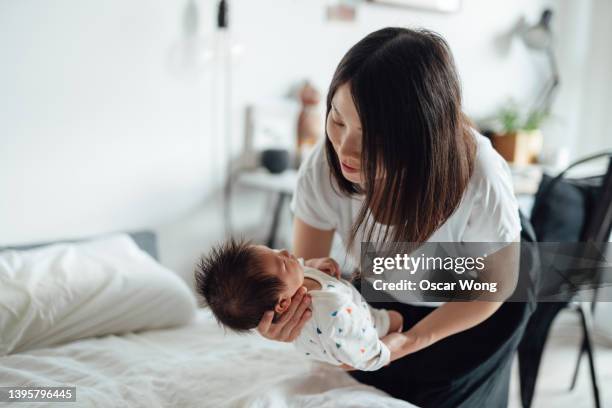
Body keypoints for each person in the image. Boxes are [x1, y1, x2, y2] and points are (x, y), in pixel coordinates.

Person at [257, 27, 530, 407]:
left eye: (374, 138)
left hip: (477, 299)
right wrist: (293, 319)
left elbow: (492, 288)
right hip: (388, 289)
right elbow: (306, 275)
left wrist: (417, 338)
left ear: (424, 136)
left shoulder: (479, 173)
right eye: (337, 121)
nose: (346, 150)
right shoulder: (323, 166)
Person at [194, 239, 405, 371]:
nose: (285, 251)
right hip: (371, 331)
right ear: (284, 304)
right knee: (397, 318)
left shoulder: (291, 284)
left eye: (273, 250)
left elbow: (299, 268)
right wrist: (391, 347)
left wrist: (312, 265)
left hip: (343, 328)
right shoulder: (331, 307)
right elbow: (364, 357)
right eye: (282, 262)